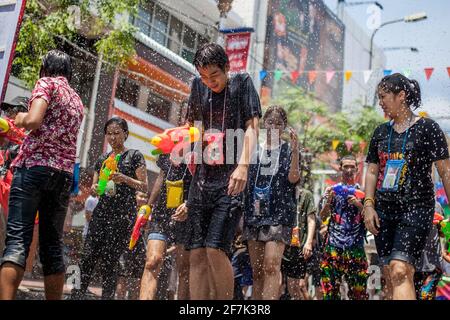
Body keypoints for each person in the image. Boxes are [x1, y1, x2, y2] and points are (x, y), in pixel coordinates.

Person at [0, 50, 84, 300]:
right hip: (62, 176)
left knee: (16, 241)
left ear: (45, 68)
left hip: (34, 169)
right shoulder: (77, 99)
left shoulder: (46, 83)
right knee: (52, 247)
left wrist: (21, 117)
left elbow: (35, 120)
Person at [184, 43, 262, 300]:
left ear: (227, 68)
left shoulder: (243, 83)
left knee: (215, 249)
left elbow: (252, 127)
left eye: (214, 76)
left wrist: (242, 166)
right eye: (204, 77)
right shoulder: (197, 87)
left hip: (231, 182)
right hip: (201, 181)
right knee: (196, 252)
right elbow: (191, 128)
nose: (209, 82)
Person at [364, 73, 450, 300]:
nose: (380, 102)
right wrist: (369, 205)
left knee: (400, 269)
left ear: (401, 96)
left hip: (416, 209)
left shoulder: (428, 129)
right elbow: (372, 171)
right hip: (383, 211)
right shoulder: (380, 132)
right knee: (389, 274)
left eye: (383, 96)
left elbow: (445, 172)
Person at [71, 117, 148, 300]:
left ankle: (107, 296)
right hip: (102, 212)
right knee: (88, 254)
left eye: (117, 133)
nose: (112, 138)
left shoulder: (135, 156)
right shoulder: (102, 159)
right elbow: (96, 189)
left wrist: (125, 179)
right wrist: (95, 188)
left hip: (123, 215)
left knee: (110, 259)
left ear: (126, 134)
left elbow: (144, 186)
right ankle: (77, 294)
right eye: (109, 134)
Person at [243, 106, 300, 300]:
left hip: (279, 215)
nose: (273, 127)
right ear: (264, 124)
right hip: (254, 214)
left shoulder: (287, 150)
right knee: (257, 270)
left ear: (284, 127)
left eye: (278, 123)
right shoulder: (253, 150)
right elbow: (246, 183)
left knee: (271, 266)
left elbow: (293, 179)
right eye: (270, 122)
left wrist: (295, 152)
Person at [139, 151, 192, 300]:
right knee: (152, 261)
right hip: (161, 214)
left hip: (188, 214)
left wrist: (190, 204)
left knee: (184, 269)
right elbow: (161, 178)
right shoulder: (168, 145)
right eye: (179, 124)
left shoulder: (201, 148)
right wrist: (148, 207)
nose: (182, 125)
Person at [319, 155, 368, 300]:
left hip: (355, 248)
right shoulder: (332, 190)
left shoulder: (363, 193)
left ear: (357, 169)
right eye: (346, 166)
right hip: (333, 247)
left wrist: (358, 205)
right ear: (340, 168)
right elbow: (322, 217)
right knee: (330, 293)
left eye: (352, 166)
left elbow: (371, 219)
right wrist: (329, 201)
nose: (349, 170)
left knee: (359, 293)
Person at [0, 96, 28, 256]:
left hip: (14, 194)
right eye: (6, 109)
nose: (8, 113)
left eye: (12, 109)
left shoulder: (28, 137)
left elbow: (10, 128)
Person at [281, 187, 316, 300]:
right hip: (279, 245)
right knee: (278, 284)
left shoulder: (306, 195)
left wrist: (309, 242)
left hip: (297, 248)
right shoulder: (280, 192)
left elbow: (311, 219)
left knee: (295, 287)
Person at [413, 202, 444, 300]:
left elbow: (442, 231)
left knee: (425, 297)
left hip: (432, 265)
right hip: (414, 265)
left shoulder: (437, 206)